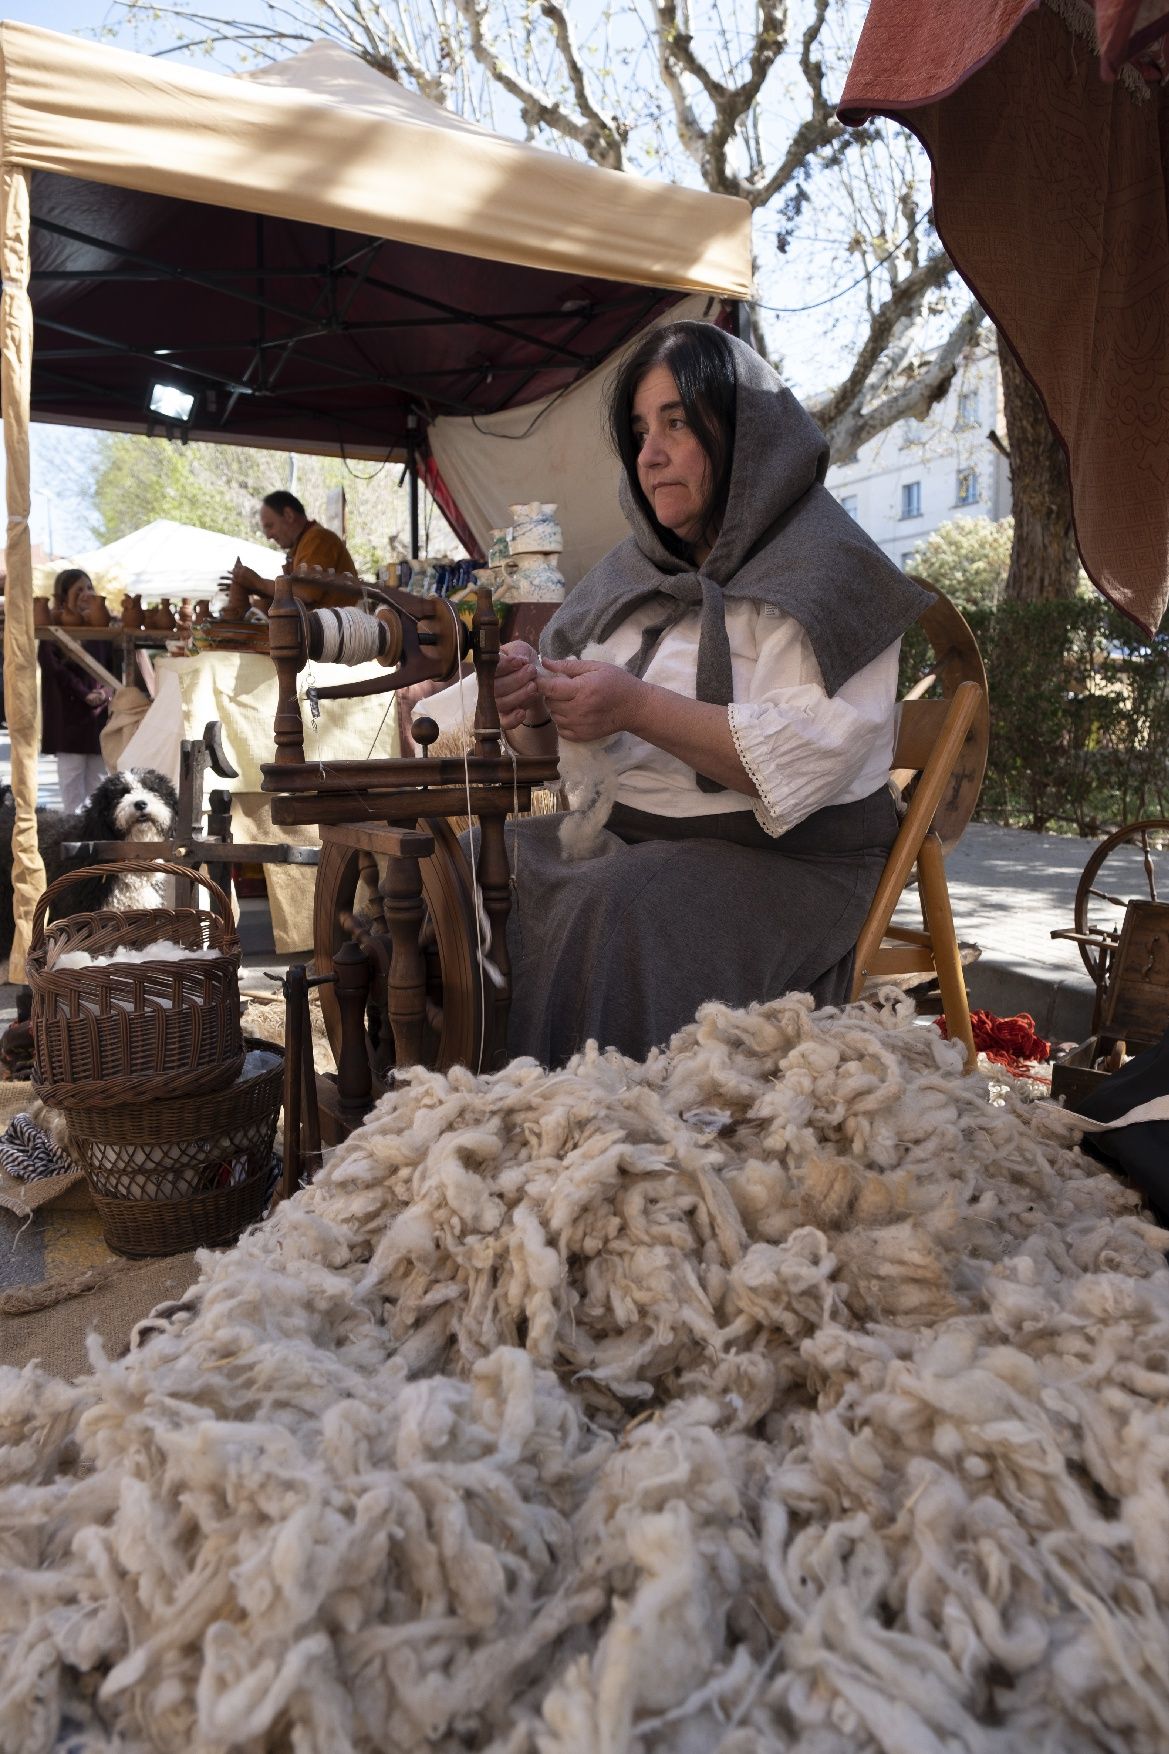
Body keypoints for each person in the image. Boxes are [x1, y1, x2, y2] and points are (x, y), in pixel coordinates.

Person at [487, 320, 931, 1067]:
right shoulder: (632, 574)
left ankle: (576, 1134)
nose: (649, 455)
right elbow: (567, 744)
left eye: (676, 424)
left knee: (622, 904)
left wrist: (631, 704)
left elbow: (802, 760)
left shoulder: (833, 574)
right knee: (459, 862)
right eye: (637, 432)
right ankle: (445, 1110)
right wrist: (535, 708)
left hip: (790, 865)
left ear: (745, 442)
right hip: (634, 838)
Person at [39, 569, 113, 815]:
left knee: (99, 783)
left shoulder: (102, 627)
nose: (86, 594)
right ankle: (73, 838)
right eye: (78, 590)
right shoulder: (54, 628)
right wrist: (84, 694)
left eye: (89, 588)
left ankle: (96, 839)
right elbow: (53, 667)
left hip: (99, 717)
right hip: (69, 716)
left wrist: (106, 692)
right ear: (63, 596)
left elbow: (113, 666)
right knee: (72, 784)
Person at [231, 491, 359, 610]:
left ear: (289, 515)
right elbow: (293, 596)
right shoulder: (301, 545)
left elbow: (306, 593)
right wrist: (255, 588)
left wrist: (260, 583)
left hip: (337, 631)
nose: (268, 536)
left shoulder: (318, 538)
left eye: (270, 526)